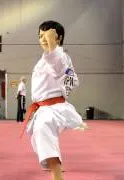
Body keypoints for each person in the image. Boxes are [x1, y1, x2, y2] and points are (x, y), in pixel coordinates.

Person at [21, 21, 87, 180]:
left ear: (59, 38)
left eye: (48, 35)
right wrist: (67, 87)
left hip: (53, 107)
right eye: (40, 36)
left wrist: (52, 45)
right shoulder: (46, 60)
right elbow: (72, 80)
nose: (43, 38)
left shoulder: (59, 56)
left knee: (43, 130)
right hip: (44, 107)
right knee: (38, 137)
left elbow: (59, 67)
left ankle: (57, 174)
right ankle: (53, 162)